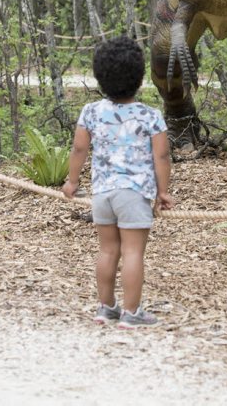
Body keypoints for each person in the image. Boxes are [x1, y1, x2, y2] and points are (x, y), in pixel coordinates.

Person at [62, 34, 173, 328]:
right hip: (134, 195)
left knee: (108, 250)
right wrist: (163, 192)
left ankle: (106, 308)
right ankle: (132, 313)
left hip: (102, 194)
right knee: (133, 252)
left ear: (100, 77)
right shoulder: (150, 116)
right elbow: (161, 158)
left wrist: (72, 182)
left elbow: (79, 149)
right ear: (139, 78)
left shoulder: (91, 112)